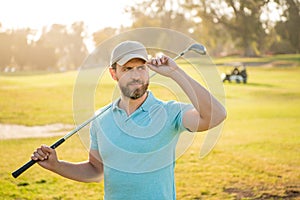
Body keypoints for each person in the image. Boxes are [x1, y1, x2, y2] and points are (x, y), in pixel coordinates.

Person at [32, 41, 227, 199]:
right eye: (127, 69)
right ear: (113, 73)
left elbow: (216, 115)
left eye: (141, 68)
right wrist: (57, 165)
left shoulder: (169, 113)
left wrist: (176, 73)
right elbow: (95, 170)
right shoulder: (101, 119)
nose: (136, 76)